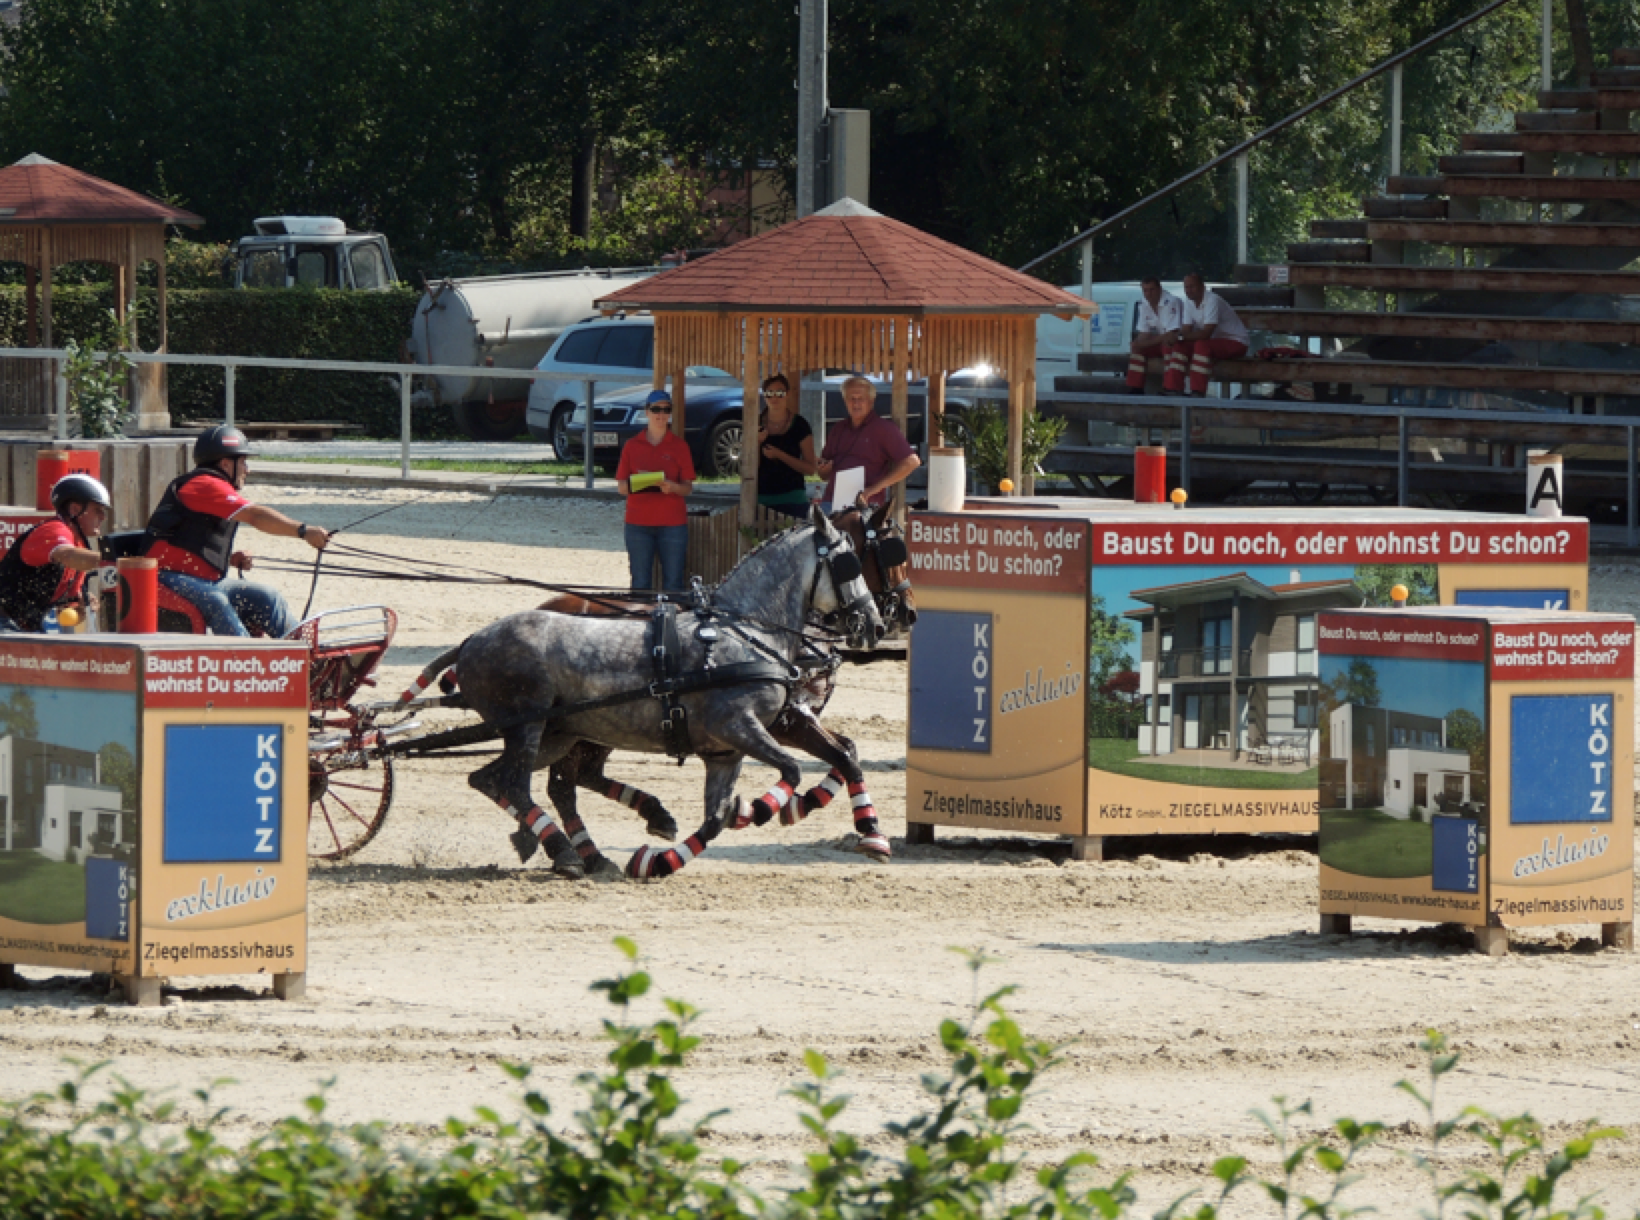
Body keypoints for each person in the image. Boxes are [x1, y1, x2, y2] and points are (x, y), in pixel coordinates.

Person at [145, 425, 330, 637]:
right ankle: (245, 652)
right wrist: (303, 531)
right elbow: (255, 515)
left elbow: (191, 539)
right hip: (165, 579)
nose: (247, 470)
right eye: (243, 462)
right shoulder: (204, 485)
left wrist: (229, 559)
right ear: (225, 463)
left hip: (198, 580)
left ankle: (302, 650)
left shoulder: (211, 487)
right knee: (216, 600)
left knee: (267, 596)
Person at [0, 473, 111, 632]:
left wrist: (82, 607)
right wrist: (114, 560)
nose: (103, 517)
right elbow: (66, 555)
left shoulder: (79, 548)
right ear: (75, 509)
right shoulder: (54, 529)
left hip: (23, 626)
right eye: (97, 510)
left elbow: (66, 611)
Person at [616, 388, 695, 591]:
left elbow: (688, 488)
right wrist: (641, 482)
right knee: (640, 584)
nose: (661, 414)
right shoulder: (632, 446)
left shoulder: (680, 446)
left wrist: (672, 486)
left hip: (672, 523)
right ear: (647, 412)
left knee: (674, 584)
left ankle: (673, 614)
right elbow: (621, 487)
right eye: (656, 409)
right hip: (638, 524)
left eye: (666, 410)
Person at [817, 376, 920, 510]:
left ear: (871, 401)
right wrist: (823, 469)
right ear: (845, 401)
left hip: (864, 505)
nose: (856, 403)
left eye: (861, 398)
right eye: (851, 398)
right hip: (831, 501)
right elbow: (823, 476)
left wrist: (874, 489)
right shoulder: (838, 429)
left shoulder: (883, 429)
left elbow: (912, 462)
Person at [1164, 273, 1250, 397]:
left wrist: (1179, 336)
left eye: (1192, 286)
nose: (1189, 290)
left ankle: (1198, 391)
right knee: (1180, 346)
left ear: (1202, 287)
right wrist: (1175, 338)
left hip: (1236, 341)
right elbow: (1186, 330)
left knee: (1201, 345)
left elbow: (1206, 333)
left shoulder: (1212, 300)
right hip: (1215, 342)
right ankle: (1173, 388)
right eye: (1186, 287)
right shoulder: (1189, 302)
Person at [755, 373, 817, 517]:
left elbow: (810, 469)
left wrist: (780, 455)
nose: (774, 397)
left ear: (788, 394)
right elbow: (748, 467)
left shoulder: (800, 425)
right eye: (769, 393)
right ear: (764, 395)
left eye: (780, 393)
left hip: (793, 499)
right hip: (762, 498)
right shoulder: (755, 424)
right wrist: (756, 443)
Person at [1126, 277, 1184, 393]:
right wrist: (1137, 343)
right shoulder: (1143, 303)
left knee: (1168, 345)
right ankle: (1136, 388)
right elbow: (1144, 332)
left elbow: (1171, 334)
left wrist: (1145, 343)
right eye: (1145, 290)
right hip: (1161, 341)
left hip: (1179, 342)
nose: (1148, 294)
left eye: (1152, 290)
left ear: (1159, 289)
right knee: (1137, 349)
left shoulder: (1172, 302)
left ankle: (1170, 388)